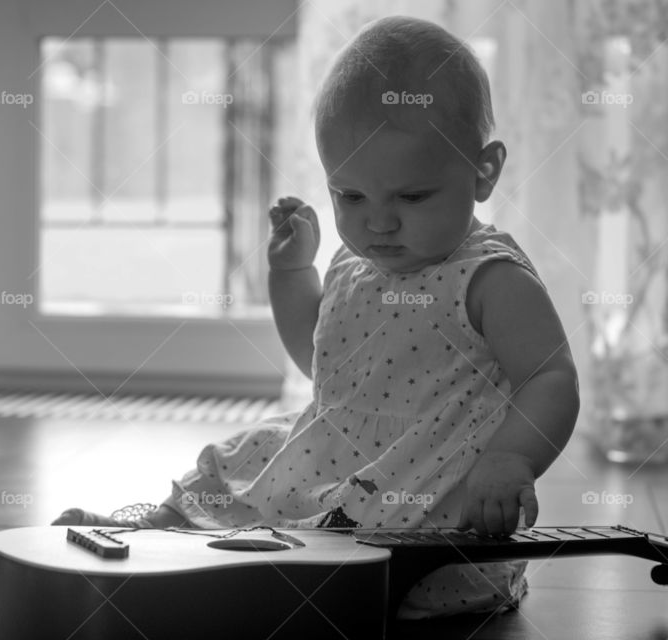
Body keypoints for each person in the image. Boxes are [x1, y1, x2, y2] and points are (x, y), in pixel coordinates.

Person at [53, 15, 580, 618]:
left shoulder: (490, 278)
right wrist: (291, 275)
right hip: (333, 451)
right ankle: (156, 534)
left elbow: (550, 377)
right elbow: (322, 362)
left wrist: (510, 459)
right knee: (241, 464)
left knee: (339, 550)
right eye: (349, 196)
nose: (377, 223)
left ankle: (229, 572)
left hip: (427, 488)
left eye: (412, 197)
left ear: (483, 171)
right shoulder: (353, 263)